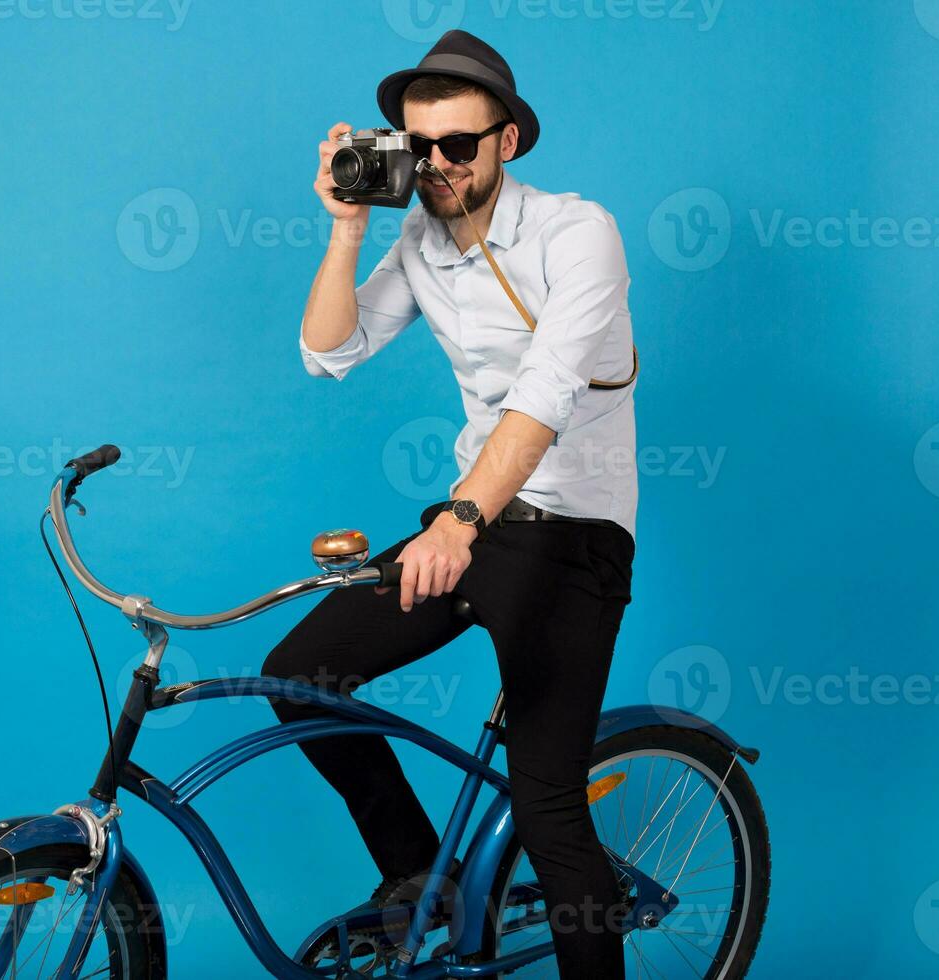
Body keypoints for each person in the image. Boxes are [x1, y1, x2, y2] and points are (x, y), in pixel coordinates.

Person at [260, 29, 639, 978]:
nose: (435, 165)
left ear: (507, 141)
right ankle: (422, 871)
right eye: (417, 145)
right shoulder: (422, 239)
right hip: (474, 519)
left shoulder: (576, 231)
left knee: (547, 803)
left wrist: (460, 520)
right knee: (300, 675)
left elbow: (546, 393)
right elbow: (328, 351)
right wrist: (349, 226)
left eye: (458, 146)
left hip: (573, 534)